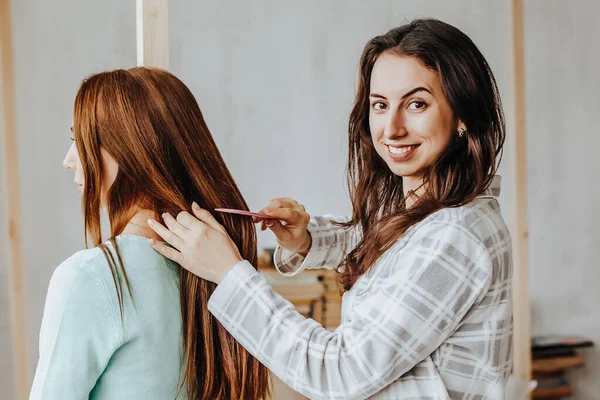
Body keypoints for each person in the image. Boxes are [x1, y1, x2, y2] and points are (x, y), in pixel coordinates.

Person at [148, 18, 513, 399]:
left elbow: (341, 372)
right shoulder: (441, 215)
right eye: (380, 105)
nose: (391, 128)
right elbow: (395, 248)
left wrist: (229, 274)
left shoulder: (454, 236)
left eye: (416, 104)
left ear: (463, 115)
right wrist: (306, 240)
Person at [30, 67, 270, 400]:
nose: (69, 160)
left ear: (126, 152)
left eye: (79, 140)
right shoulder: (221, 262)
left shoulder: (88, 278)